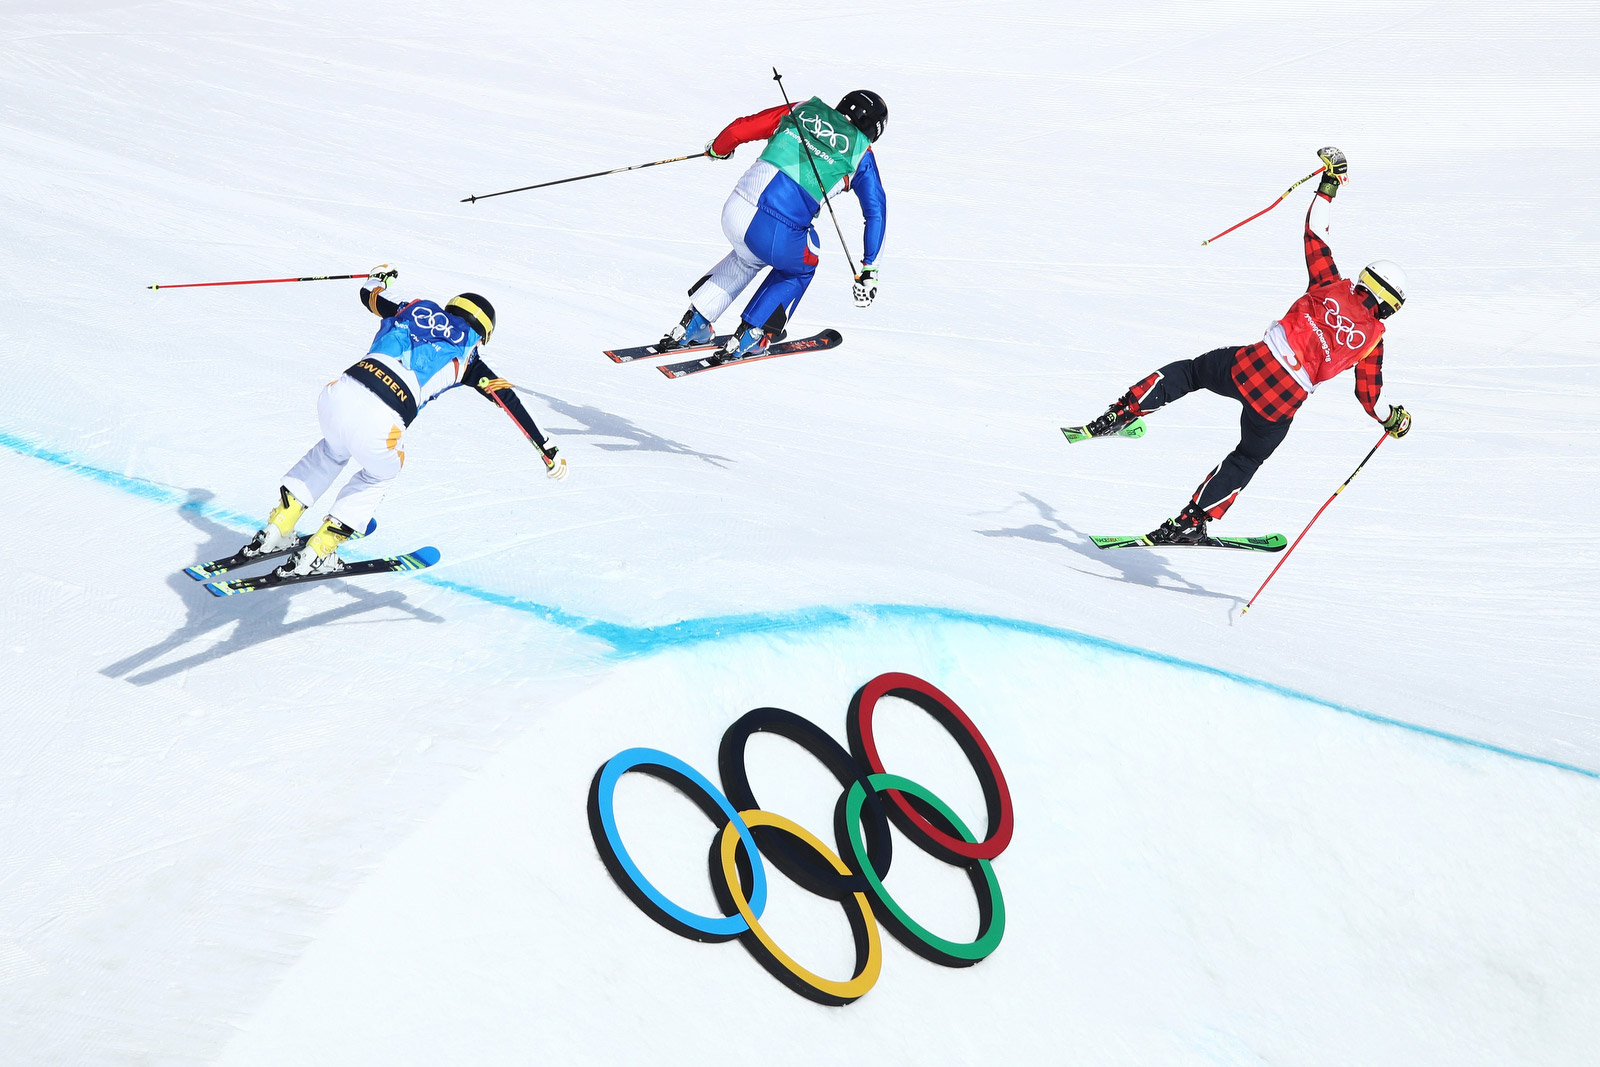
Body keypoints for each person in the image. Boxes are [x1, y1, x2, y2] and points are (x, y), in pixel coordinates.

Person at [1074, 147, 1412, 544]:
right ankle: (1191, 520)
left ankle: (1122, 412)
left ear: (1363, 279)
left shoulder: (1330, 285)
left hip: (1253, 364)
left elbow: (1315, 233)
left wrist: (1330, 181)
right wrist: (1393, 420)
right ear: (1390, 307)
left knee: (1193, 372)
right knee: (1248, 456)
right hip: (1282, 402)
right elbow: (1369, 397)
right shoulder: (1373, 341)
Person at [241, 266, 567, 577]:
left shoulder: (409, 310)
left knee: (331, 450)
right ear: (482, 333)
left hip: (338, 393)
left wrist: (380, 276)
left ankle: (278, 526)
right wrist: (546, 449)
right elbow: (508, 400)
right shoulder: (470, 358)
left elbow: (369, 294)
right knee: (381, 472)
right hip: (382, 418)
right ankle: (321, 549)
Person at [658, 89, 889, 360]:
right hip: (775, 229)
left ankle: (692, 325)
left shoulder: (805, 107)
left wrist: (717, 149)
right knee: (803, 264)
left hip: (735, 209)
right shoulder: (862, 151)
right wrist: (869, 268)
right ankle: (754, 334)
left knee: (748, 257)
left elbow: (741, 128)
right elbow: (876, 212)